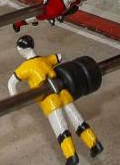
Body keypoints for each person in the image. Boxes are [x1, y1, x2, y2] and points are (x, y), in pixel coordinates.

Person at [8, 34, 103, 164]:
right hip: (63, 93)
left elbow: (11, 83)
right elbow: (59, 56)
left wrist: (15, 99)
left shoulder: (25, 68)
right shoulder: (45, 59)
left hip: (49, 100)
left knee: (61, 128)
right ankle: (95, 144)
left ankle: (71, 156)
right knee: (78, 121)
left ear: (21, 49)